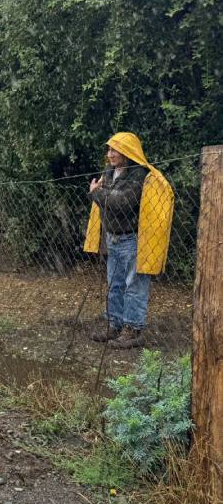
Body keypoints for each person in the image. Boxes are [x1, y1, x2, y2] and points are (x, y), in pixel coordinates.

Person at [84, 132, 174, 350]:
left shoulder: (139, 175)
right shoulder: (109, 171)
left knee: (134, 285)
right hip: (112, 237)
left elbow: (122, 203)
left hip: (133, 239)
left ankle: (133, 329)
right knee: (114, 284)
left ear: (128, 151)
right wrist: (99, 194)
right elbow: (107, 202)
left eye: (115, 150)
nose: (110, 154)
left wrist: (96, 193)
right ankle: (114, 325)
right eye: (109, 150)